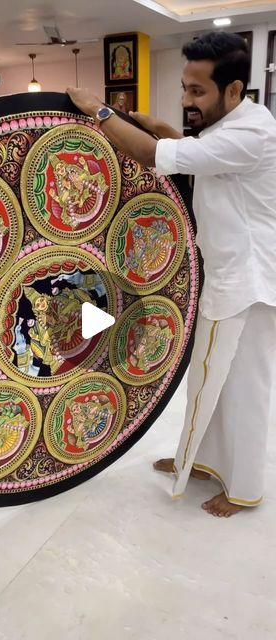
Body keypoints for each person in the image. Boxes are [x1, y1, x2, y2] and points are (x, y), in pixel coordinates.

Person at [67, 31, 276, 518]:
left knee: (242, 391)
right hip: (229, 276)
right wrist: (159, 125)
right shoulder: (238, 126)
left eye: (196, 91)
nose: (186, 100)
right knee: (210, 381)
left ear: (233, 89)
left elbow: (156, 158)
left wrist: (99, 111)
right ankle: (199, 461)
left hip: (248, 282)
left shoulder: (253, 133)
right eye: (184, 88)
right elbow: (195, 152)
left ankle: (244, 489)